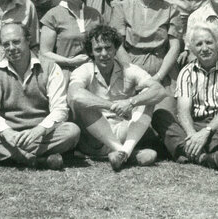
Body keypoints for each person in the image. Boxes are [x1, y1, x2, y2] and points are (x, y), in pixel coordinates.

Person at [0, 22, 80, 168]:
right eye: (6, 44)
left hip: (40, 132)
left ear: (28, 40)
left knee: (71, 131)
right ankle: (36, 160)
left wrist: (38, 130)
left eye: (16, 42)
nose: (12, 48)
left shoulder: (50, 67)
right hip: (7, 133)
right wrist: (6, 132)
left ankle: (3, 156)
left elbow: (60, 109)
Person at [68, 24, 167, 170]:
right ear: (91, 52)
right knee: (82, 102)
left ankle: (123, 152)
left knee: (148, 97)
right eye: (98, 49)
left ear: (115, 49)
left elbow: (159, 90)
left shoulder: (129, 69)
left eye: (108, 48)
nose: (104, 53)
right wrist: (111, 106)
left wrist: (131, 102)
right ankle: (124, 152)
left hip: (122, 131)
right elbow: (74, 94)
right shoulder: (84, 69)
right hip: (93, 138)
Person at [153, 24, 218, 169]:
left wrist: (206, 132)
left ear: (217, 43)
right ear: (192, 49)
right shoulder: (186, 72)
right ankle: (202, 157)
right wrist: (192, 134)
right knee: (160, 116)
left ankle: (181, 148)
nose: (205, 48)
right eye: (199, 44)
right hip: (192, 124)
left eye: (209, 42)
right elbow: (183, 110)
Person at [109, 0, 183, 86]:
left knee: (164, 106)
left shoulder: (171, 10)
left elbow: (174, 48)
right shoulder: (122, 7)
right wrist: (134, 74)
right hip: (130, 69)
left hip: (163, 72)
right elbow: (117, 45)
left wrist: (158, 77)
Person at [39, 0, 103, 78]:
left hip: (93, 74)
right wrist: (70, 62)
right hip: (63, 74)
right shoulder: (53, 15)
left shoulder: (95, 15)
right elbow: (45, 53)